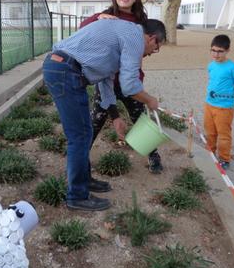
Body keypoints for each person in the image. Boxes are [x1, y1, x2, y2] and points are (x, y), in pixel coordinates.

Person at [43, 18, 166, 211]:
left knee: (85, 134)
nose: (151, 54)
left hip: (62, 69)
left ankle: (84, 181)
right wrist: (150, 100)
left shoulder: (122, 36)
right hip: (66, 72)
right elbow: (129, 85)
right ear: (152, 38)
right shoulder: (135, 36)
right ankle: (77, 196)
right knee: (79, 137)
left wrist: (115, 117)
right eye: (156, 49)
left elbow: (106, 81)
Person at [80, 0, 164, 175]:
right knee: (95, 124)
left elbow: (144, 50)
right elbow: (83, 30)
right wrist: (97, 18)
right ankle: (79, 162)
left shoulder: (141, 22)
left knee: (141, 119)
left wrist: (139, 79)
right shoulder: (106, 16)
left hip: (130, 83)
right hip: (105, 81)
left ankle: (154, 157)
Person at [204, 34, 234, 170]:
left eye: (220, 51)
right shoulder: (210, 65)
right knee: (210, 132)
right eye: (213, 50)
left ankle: (224, 158)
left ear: (227, 50)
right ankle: (210, 153)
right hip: (209, 105)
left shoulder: (233, 67)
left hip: (224, 108)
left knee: (223, 135)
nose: (216, 54)